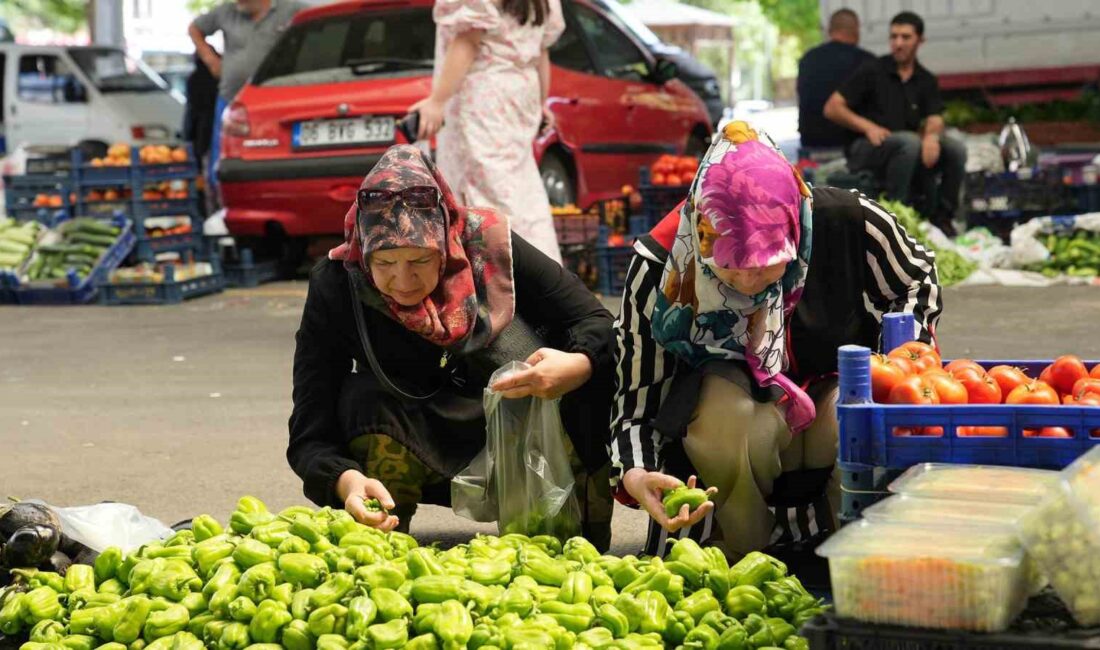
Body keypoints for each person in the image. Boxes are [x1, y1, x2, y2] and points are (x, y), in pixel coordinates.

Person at [609, 121, 943, 559]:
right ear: (701, 236)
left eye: (768, 264)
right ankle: (737, 553)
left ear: (795, 232)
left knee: (858, 412)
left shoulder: (849, 223)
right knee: (726, 412)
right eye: (729, 267)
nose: (749, 281)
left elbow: (916, 279)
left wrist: (902, 361)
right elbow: (635, 403)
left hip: (829, 405)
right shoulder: (663, 269)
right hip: (728, 442)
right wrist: (637, 473)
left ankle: (854, 546)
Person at [287, 144, 615, 548]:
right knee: (361, 398)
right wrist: (346, 480)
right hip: (415, 433)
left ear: (446, 245)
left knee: (587, 377)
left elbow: (597, 323)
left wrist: (576, 365)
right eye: (385, 264)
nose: (404, 281)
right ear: (363, 252)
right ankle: (383, 534)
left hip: (517, 425)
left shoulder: (490, 248)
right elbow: (310, 421)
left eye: (421, 261)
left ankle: (566, 536)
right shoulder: (338, 283)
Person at [409, 0, 564, 263]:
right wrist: (540, 103)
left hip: (484, 98)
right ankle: (545, 276)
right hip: (521, 94)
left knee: (488, 197)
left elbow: (468, 41)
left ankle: (502, 281)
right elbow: (541, 52)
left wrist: (437, 100)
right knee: (522, 192)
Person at [824, 11, 966, 235]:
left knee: (955, 148)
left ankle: (943, 218)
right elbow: (832, 107)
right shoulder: (872, 70)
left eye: (905, 37)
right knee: (909, 142)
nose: (898, 43)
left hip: (905, 149)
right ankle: (893, 219)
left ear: (920, 40)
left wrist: (931, 136)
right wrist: (867, 127)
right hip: (866, 148)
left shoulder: (925, 78)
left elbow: (935, 116)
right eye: (894, 37)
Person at [188, 0, 304, 199]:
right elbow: (195, 28)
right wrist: (212, 61)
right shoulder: (227, 11)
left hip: (273, 101)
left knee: (271, 156)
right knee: (223, 162)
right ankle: (223, 209)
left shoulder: (292, 10)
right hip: (231, 100)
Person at [797, 8, 874, 148]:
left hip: (811, 144)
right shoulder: (867, 62)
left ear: (829, 31)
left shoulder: (807, 59)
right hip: (853, 146)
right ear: (856, 30)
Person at [182, 53, 219, 214]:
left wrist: (187, 134)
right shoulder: (218, 79)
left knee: (203, 174)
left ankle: (206, 210)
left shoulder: (193, 79)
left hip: (201, 134)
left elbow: (191, 111)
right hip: (216, 130)